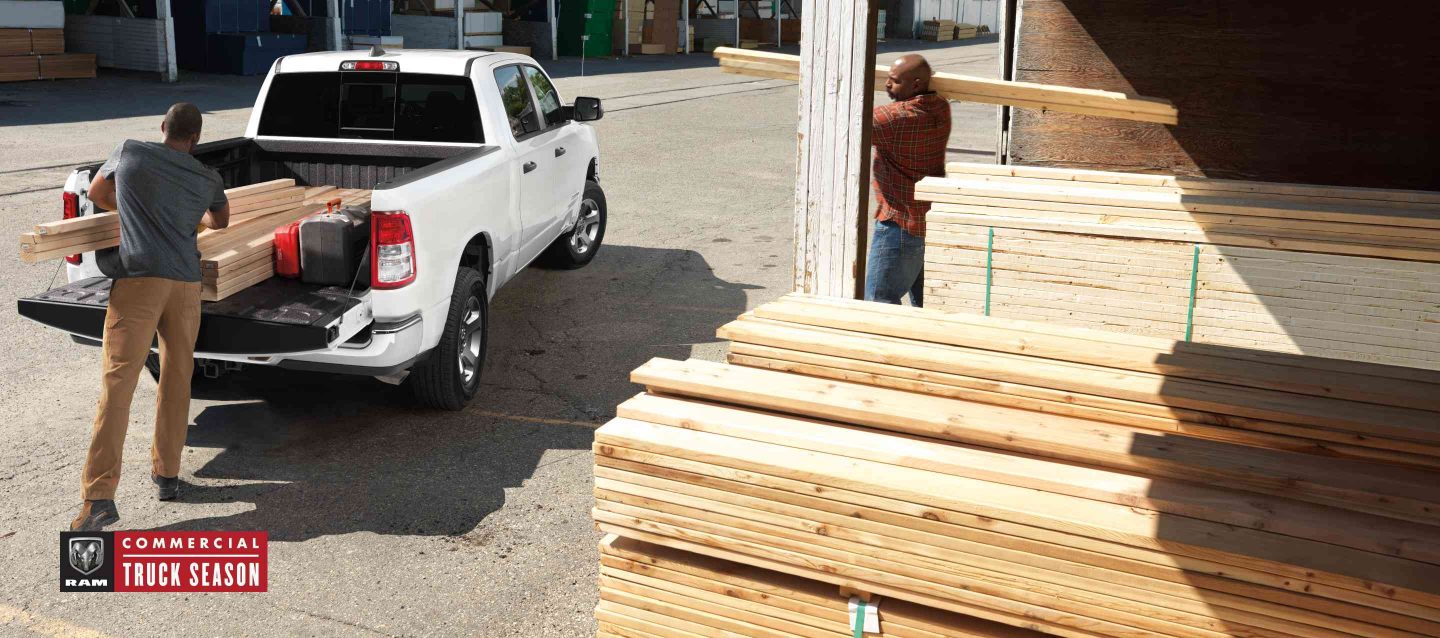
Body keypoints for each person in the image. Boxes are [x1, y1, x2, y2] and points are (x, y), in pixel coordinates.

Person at [70, 103, 231, 531]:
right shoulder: (207, 177)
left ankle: (99, 498)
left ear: (162, 127)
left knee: (118, 384)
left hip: (139, 282)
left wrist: (138, 213)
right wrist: (185, 217)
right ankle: (168, 475)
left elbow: (98, 194)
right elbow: (221, 221)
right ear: (195, 139)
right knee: (178, 377)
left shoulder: (131, 152)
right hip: (185, 285)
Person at [864, 54, 951, 307]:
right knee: (925, 303)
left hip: (898, 225)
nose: (887, 86)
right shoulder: (941, 107)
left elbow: (846, 120)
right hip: (926, 222)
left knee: (880, 300)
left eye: (894, 81)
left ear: (915, 85)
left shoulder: (893, 119)